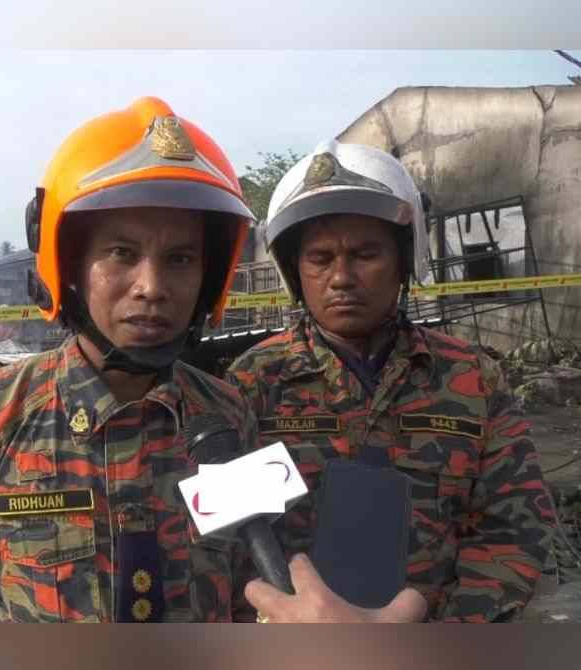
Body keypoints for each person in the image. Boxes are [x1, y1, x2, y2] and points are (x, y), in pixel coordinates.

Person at [0, 99, 425, 623]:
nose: (152, 288)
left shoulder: (229, 416)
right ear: (71, 265)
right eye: (122, 254)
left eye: (180, 259)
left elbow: (254, 590)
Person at [226, 140, 555, 623]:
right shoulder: (250, 385)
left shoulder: (472, 379)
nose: (341, 277)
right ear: (295, 272)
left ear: (403, 261)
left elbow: (515, 524)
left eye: (365, 254)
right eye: (320, 258)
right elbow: (225, 542)